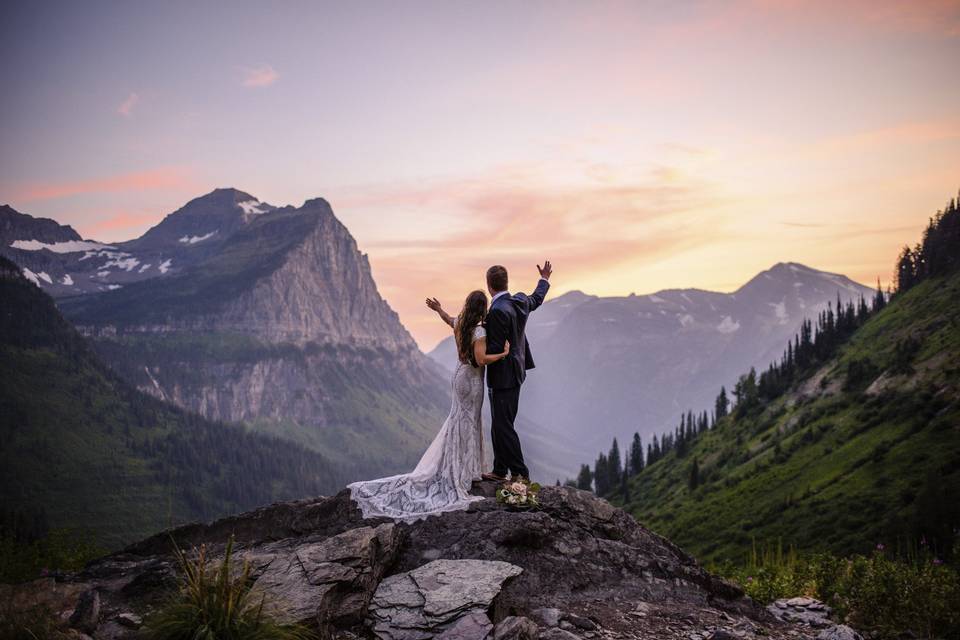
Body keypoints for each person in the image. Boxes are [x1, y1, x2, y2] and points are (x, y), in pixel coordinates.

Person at [347, 289, 509, 521]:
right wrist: (503, 353)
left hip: (459, 375)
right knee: (469, 421)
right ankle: (465, 470)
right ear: (483, 308)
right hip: (472, 380)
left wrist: (438, 309)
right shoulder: (479, 330)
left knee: (458, 420)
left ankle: (462, 466)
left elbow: (449, 319)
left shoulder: (461, 323)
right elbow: (481, 359)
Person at [481, 261, 552, 482]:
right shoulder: (519, 301)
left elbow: (495, 348)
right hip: (516, 372)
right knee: (501, 423)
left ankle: (520, 472)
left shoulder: (497, 311)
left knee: (503, 425)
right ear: (506, 282)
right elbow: (536, 299)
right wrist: (544, 279)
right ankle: (500, 469)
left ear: (488, 285)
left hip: (503, 376)